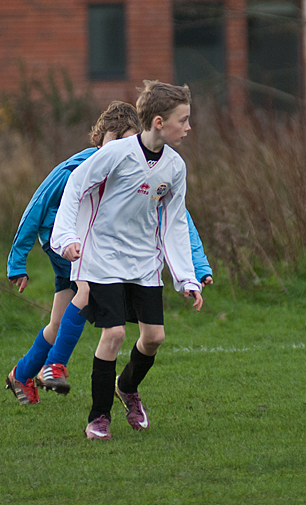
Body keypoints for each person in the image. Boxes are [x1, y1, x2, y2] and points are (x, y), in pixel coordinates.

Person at [5, 100, 212, 406]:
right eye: (116, 140)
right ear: (99, 139)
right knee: (86, 291)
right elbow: (35, 208)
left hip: (94, 246)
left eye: (130, 141)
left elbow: (178, 218)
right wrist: (17, 262)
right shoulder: (77, 167)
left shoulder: (140, 170)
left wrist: (198, 264)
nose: (122, 148)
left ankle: (20, 375)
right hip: (63, 242)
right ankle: (55, 366)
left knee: (58, 322)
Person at [51, 80, 203, 440]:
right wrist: (67, 239)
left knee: (154, 338)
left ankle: (127, 387)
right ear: (159, 122)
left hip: (143, 263)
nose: (188, 127)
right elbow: (75, 186)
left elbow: (175, 223)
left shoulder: (175, 168)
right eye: (184, 119)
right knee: (115, 334)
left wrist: (187, 277)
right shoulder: (117, 153)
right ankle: (98, 418)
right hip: (103, 258)